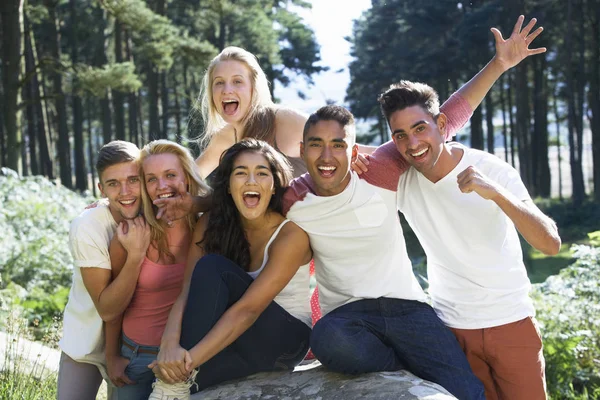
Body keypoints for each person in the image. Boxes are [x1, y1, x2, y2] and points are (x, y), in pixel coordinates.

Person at [379, 79, 560, 398]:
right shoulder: (403, 182)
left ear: (442, 124)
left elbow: (549, 244)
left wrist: (497, 193)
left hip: (511, 321)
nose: (413, 143)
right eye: (401, 135)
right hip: (452, 330)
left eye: (421, 128)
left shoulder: (490, 168)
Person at [148, 139, 313, 399]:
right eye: (240, 173)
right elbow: (188, 289)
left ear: (274, 186)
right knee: (192, 379)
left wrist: (183, 367)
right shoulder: (211, 224)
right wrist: (168, 347)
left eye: (261, 173)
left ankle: (176, 382)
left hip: (284, 341)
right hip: (237, 338)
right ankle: (178, 381)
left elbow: (249, 310)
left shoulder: (290, 235)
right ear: (227, 186)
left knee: (214, 267)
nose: (251, 181)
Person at [103, 140, 211, 399]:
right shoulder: (131, 233)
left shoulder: (207, 227)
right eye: (151, 179)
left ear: (187, 178)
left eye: (170, 175)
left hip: (186, 358)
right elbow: (116, 303)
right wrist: (111, 356)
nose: (161, 186)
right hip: (135, 357)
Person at [58, 140, 151, 400]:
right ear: (101, 188)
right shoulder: (87, 226)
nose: (125, 191)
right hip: (87, 342)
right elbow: (107, 309)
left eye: (133, 180)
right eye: (113, 184)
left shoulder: (154, 213)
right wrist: (135, 257)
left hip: (135, 345)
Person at [194, 46, 374, 180]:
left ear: (253, 88)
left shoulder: (282, 120)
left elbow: (356, 151)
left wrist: (399, 152)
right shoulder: (224, 138)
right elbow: (191, 178)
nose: (226, 90)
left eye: (237, 81)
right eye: (219, 82)